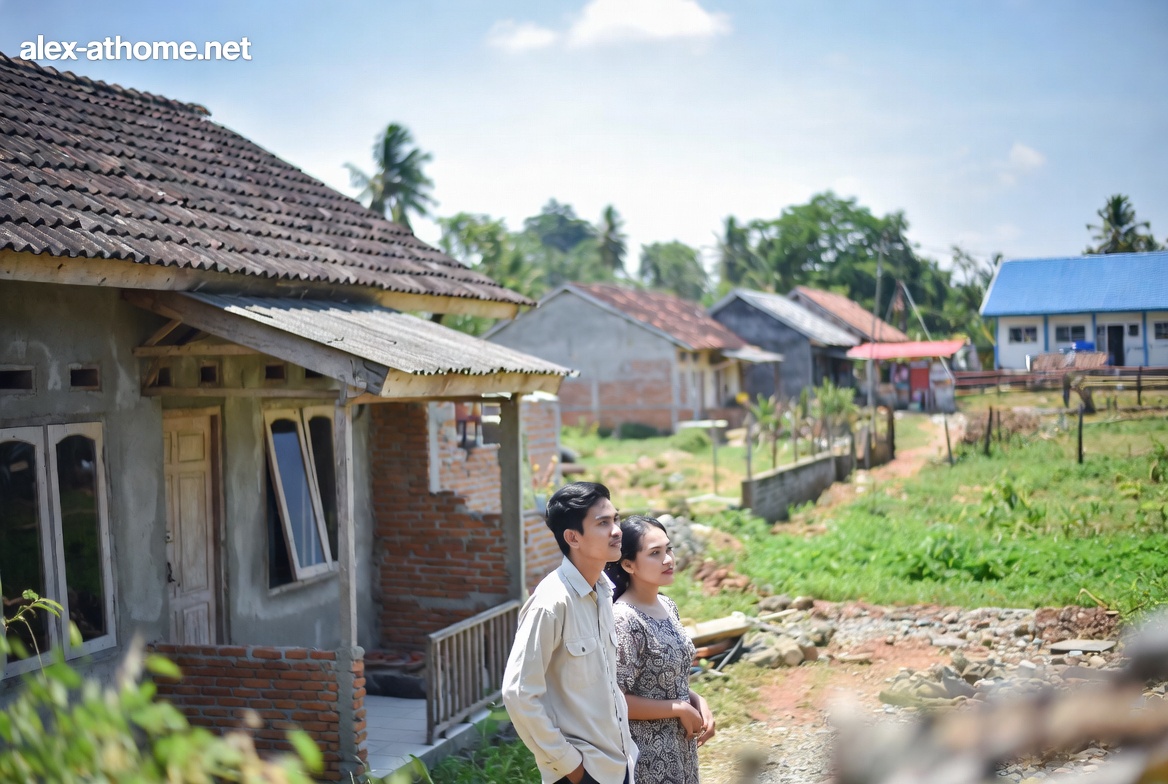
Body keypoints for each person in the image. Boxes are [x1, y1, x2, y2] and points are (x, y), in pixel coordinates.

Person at [502, 481, 637, 784]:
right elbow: (518, 692)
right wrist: (571, 767)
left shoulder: (602, 590)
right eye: (603, 523)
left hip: (618, 764)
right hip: (582, 774)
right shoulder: (551, 603)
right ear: (573, 537)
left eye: (616, 519)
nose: (617, 530)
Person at [606, 515, 715, 784]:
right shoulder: (625, 619)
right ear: (628, 564)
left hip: (681, 748)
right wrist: (678, 708)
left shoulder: (668, 606)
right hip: (647, 756)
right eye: (655, 553)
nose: (668, 559)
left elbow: (666, 678)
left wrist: (697, 700)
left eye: (668, 549)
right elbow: (616, 700)